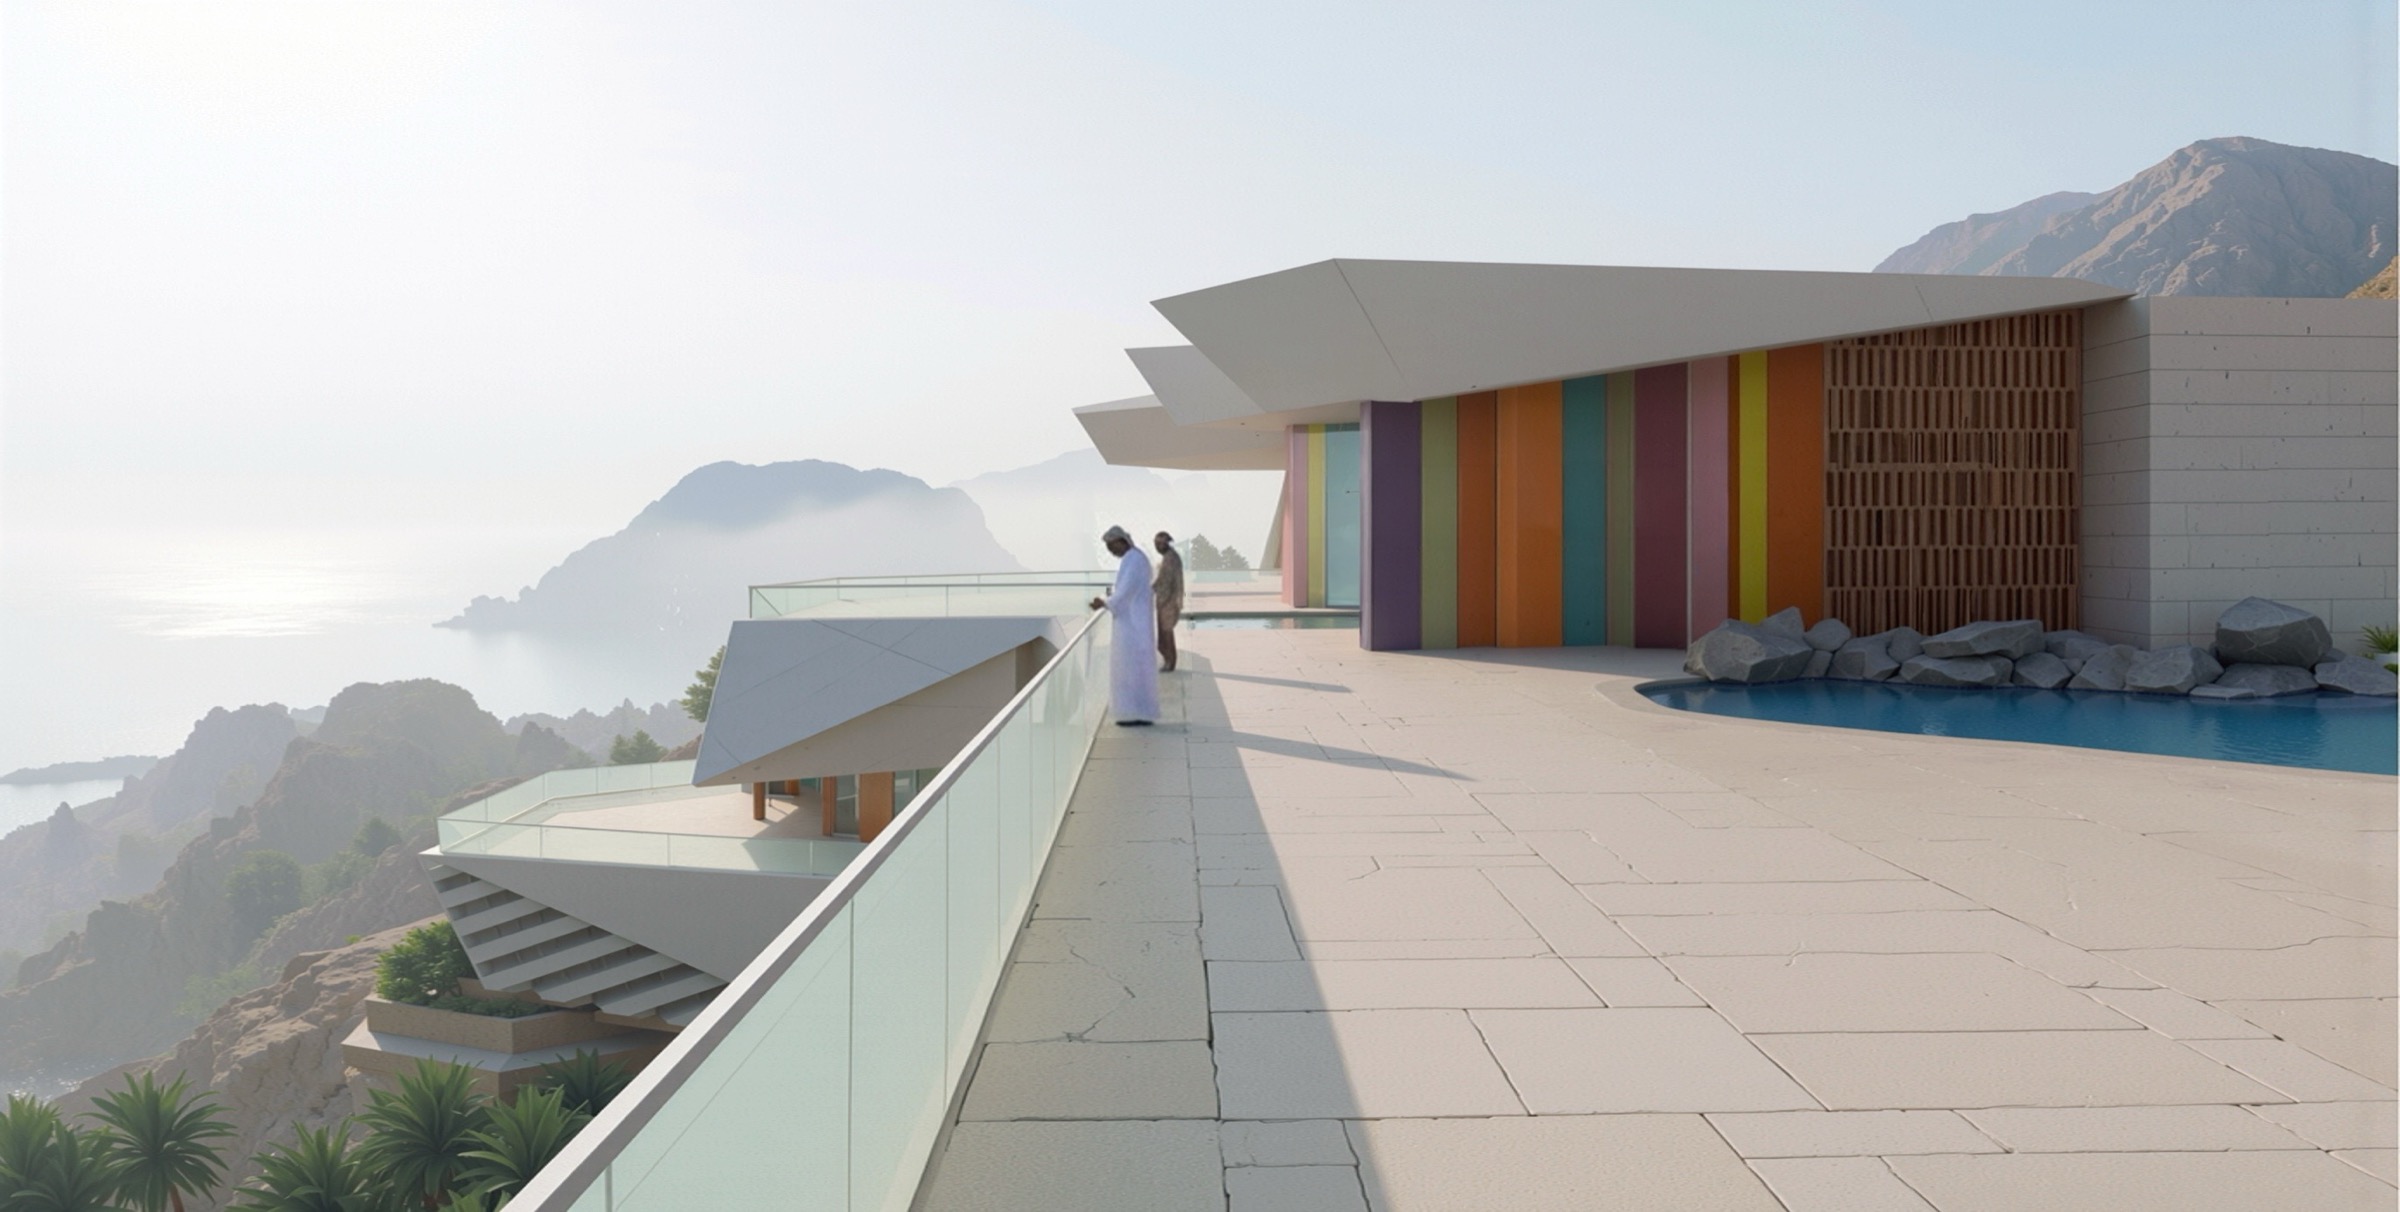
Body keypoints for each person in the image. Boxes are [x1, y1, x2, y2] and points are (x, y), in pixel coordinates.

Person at [1089, 525, 1160, 725]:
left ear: (1121, 541)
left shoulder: (1134, 560)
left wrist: (1104, 602)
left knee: (1131, 669)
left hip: (1133, 625)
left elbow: (1126, 591)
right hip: (1134, 622)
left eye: (1112, 546)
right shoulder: (1134, 558)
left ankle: (1134, 712)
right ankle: (1136, 711)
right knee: (1134, 669)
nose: (1111, 551)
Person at [1152, 530, 1185, 673]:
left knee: (1166, 634)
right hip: (1166, 601)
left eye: (1160, 544)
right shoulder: (1169, 557)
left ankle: (1170, 662)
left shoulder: (1171, 558)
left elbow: (1166, 582)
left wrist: (1151, 591)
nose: (1157, 547)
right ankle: (1168, 661)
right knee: (1165, 633)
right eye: (1156, 544)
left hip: (1168, 602)